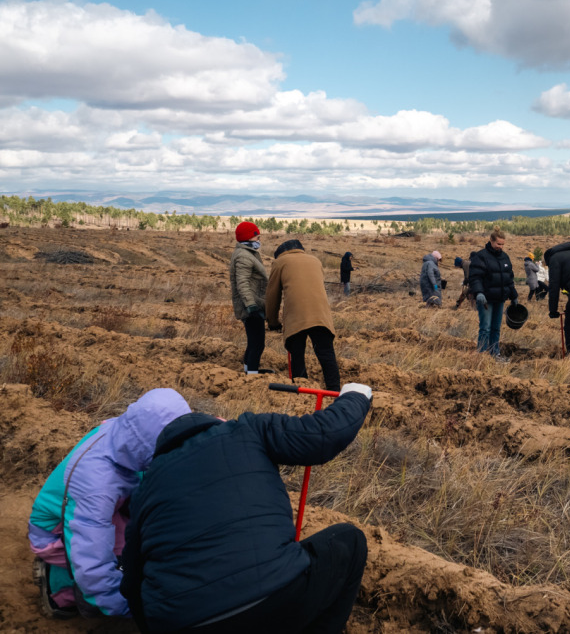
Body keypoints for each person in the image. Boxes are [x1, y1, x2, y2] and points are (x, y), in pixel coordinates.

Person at [120, 383, 373, 634]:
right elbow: (323, 433)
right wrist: (356, 396)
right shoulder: (246, 430)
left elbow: (132, 583)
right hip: (274, 601)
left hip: (181, 623)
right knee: (349, 541)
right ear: (216, 422)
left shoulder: (145, 487)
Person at [28, 389, 192, 620]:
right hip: (54, 532)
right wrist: (129, 608)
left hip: (102, 508)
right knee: (122, 555)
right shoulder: (97, 484)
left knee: (143, 542)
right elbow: (91, 557)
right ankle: (59, 592)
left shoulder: (126, 433)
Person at [266, 239, 340, 391]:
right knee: (326, 354)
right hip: (321, 314)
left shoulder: (280, 263)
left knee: (297, 355)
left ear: (279, 254)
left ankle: (301, 391)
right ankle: (334, 391)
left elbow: (272, 296)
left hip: (296, 316)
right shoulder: (315, 260)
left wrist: (273, 322)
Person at [468, 228, 519, 359]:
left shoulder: (505, 257)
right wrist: (479, 293)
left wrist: (514, 296)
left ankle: (495, 353)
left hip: (500, 299)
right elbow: (475, 277)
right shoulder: (481, 256)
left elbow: (509, 279)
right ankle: (482, 356)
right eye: (498, 244)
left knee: (496, 328)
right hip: (486, 300)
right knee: (485, 328)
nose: (500, 247)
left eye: (502, 244)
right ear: (491, 241)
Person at [230, 221, 268, 375]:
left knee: (253, 342)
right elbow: (242, 282)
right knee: (257, 344)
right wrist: (251, 305)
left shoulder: (248, 253)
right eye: (257, 237)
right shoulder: (244, 256)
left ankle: (248, 372)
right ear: (249, 238)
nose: (259, 240)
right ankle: (252, 377)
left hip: (254, 303)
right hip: (251, 306)